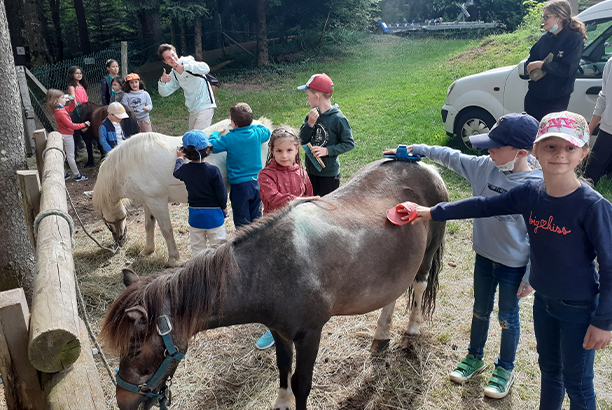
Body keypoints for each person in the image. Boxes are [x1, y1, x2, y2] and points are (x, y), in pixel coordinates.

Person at [407, 111, 612, 410]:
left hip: (579, 310)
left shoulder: (593, 206)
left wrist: (603, 320)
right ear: (537, 151)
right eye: (551, 147)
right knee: (550, 372)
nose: (559, 155)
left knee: (578, 383)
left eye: (569, 148)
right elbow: (483, 205)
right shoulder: (530, 192)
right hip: (544, 304)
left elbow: (609, 265)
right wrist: (430, 212)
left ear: (583, 153)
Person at [383, 112, 542, 399]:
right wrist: (416, 150)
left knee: (507, 316)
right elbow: (448, 155)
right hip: (484, 258)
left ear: (521, 152)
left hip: (514, 266)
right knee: (480, 310)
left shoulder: (537, 187)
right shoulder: (484, 166)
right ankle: (474, 356)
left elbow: (540, 237)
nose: (487, 150)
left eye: (495, 146)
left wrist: (533, 273)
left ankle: (505, 367)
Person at [255, 125, 314, 350]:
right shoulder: (266, 175)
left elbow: (308, 196)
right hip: (275, 234)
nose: (284, 156)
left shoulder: (302, 172)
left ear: (297, 149)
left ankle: (301, 317)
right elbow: (274, 198)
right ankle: (275, 329)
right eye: (279, 151)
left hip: (299, 232)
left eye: (289, 150)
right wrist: (300, 201)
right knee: (276, 281)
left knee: (298, 277)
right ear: (271, 150)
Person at [208, 102, 271, 228]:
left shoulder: (229, 138)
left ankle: (244, 246)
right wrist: (251, 124)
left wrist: (216, 132)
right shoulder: (256, 134)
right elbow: (267, 132)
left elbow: (211, 146)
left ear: (233, 123)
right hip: (256, 184)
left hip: (239, 187)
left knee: (242, 223)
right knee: (256, 221)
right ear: (251, 120)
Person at [524, 0, 586, 121]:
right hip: (534, 98)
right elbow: (530, 61)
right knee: (530, 136)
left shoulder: (574, 39)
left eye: (546, 17)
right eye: (543, 16)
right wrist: (531, 68)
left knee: (549, 137)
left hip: (556, 101)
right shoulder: (545, 38)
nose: (543, 20)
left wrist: (543, 65)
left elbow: (568, 69)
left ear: (559, 18)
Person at [298, 73, 354, 196]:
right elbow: (301, 140)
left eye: (308, 95)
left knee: (327, 207)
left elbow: (349, 144)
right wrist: (310, 124)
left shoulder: (338, 119)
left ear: (317, 96)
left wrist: (327, 151)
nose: (307, 98)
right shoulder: (311, 115)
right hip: (311, 171)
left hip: (329, 174)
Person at [173, 130, 228, 255]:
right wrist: (223, 207)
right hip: (214, 216)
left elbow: (176, 172)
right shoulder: (213, 171)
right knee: (219, 247)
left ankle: (198, 272)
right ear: (207, 151)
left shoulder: (185, 170)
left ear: (186, 152)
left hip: (195, 215)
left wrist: (179, 159)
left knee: (197, 249)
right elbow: (221, 192)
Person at [157, 43, 216, 130]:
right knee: (191, 138)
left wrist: (185, 67)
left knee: (197, 138)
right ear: (165, 62)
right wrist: (162, 81)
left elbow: (206, 68)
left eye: (173, 55)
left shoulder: (186, 61)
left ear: (176, 53)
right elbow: (164, 92)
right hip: (193, 110)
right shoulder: (174, 74)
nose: (172, 59)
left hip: (205, 105)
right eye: (168, 58)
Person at [46, 89, 89, 182]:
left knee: (63, 155)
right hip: (67, 135)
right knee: (70, 156)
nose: (65, 99)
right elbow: (71, 125)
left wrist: (72, 101)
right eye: (63, 98)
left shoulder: (58, 109)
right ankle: (77, 175)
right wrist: (84, 124)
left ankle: (64, 174)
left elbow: (70, 109)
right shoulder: (61, 113)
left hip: (63, 133)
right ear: (56, 100)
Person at [586, 56, 612, 186]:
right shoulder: (611, 63)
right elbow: (603, 98)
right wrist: (589, 131)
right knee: (589, 177)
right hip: (607, 128)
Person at [66, 65, 89, 151]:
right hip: (77, 108)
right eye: (76, 73)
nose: (79, 75)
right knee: (77, 126)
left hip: (85, 106)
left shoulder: (81, 84)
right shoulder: (72, 85)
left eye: (80, 73)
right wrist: (73, 99)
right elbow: (72, 96)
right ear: (71, 75)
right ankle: (80, 145)